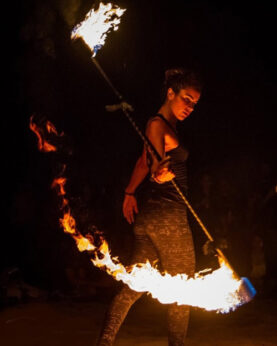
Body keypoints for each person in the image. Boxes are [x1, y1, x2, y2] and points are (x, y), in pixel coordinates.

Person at [96, 68, 202, 346]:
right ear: (170, 93)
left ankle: (103, 343)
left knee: (132, 288)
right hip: (169, 216)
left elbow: (144, 161)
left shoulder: (164, 125)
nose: (190, 107)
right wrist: (160, 174)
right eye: (186, 99)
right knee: (184, 287)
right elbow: (155, 167)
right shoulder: (157, 125)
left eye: (194, 103)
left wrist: (130, 191)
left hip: (152, 218)